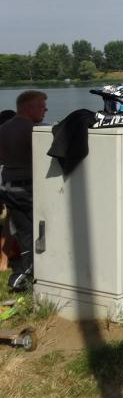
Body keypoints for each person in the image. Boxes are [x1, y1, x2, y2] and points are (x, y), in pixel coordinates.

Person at [0, 90, 48, 291]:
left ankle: (21, 269)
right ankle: (28, 275)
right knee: (38, 230)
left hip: (8, 186)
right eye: (41, 106)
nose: (46, 109)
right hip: (27, 188)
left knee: (21, 231)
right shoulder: (35, 131)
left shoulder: (3, 128)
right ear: (28, 107)